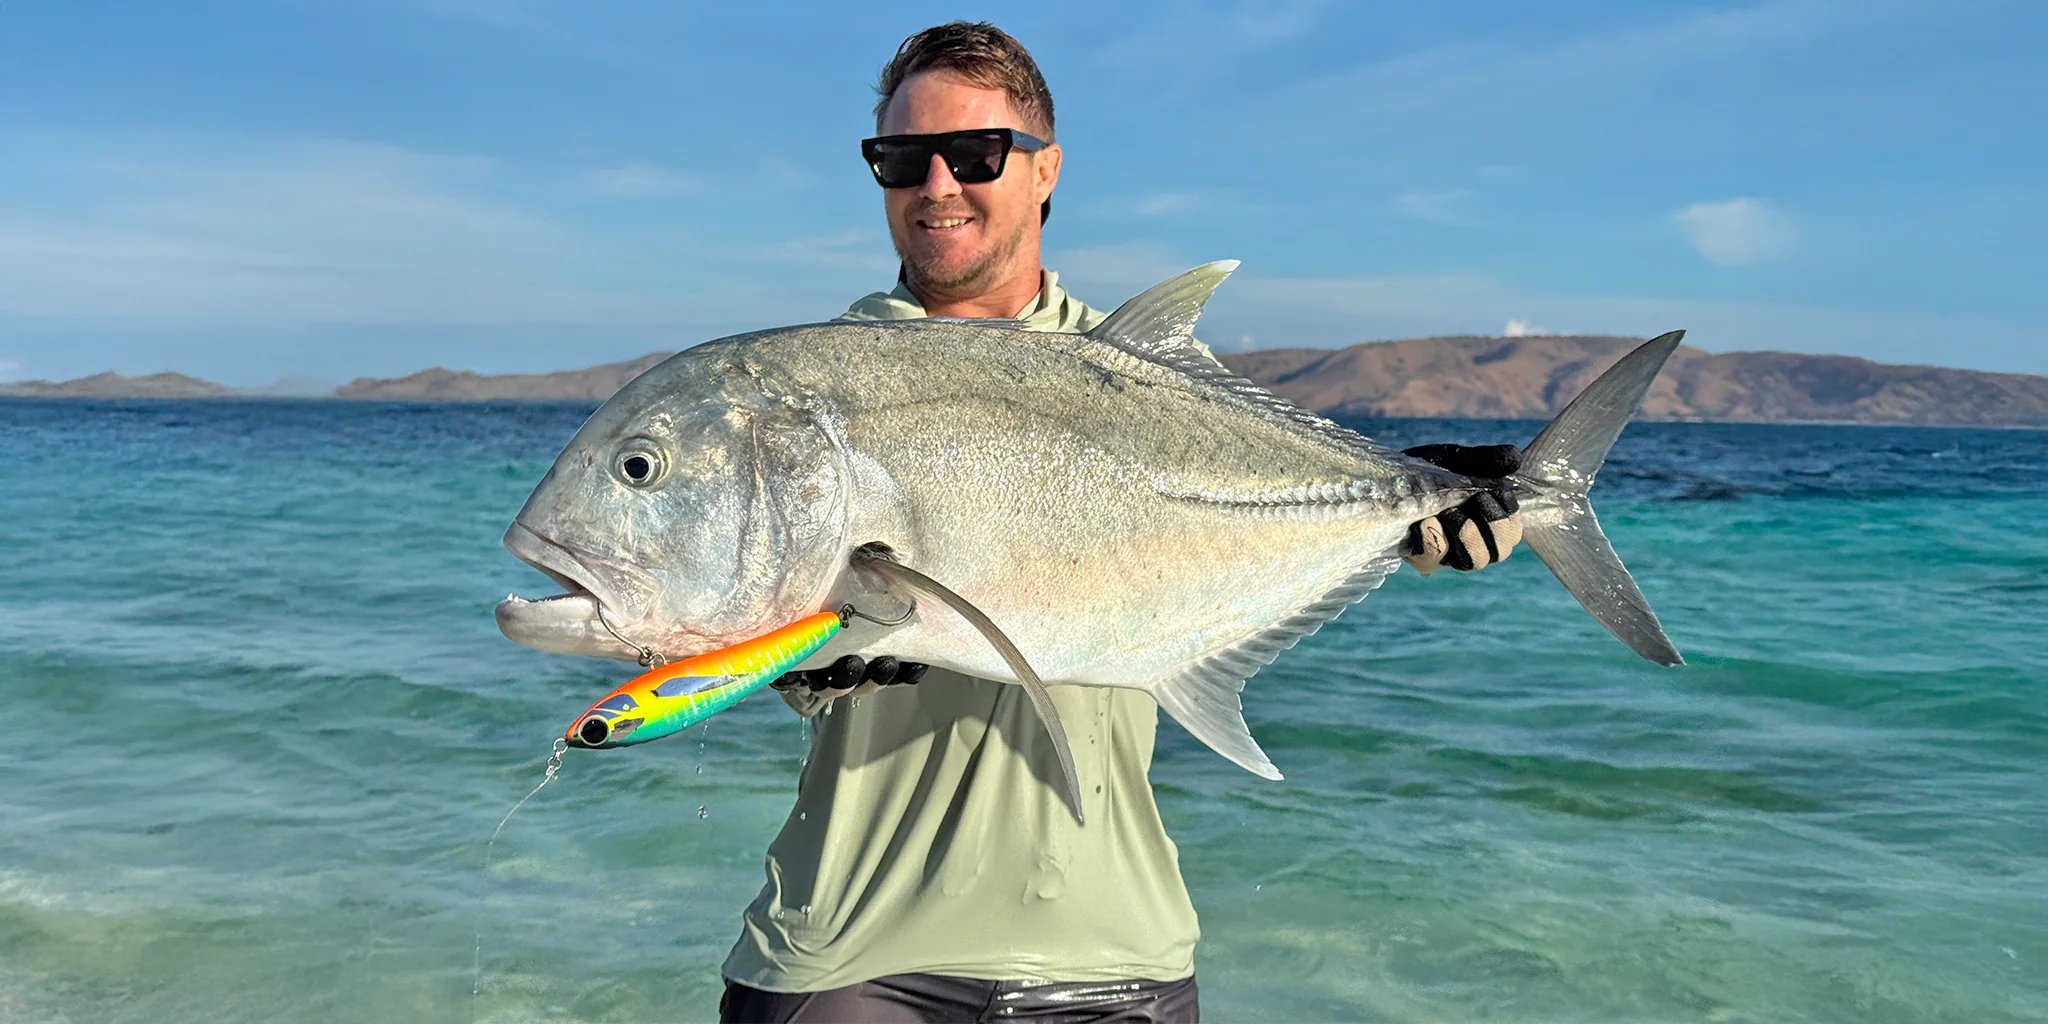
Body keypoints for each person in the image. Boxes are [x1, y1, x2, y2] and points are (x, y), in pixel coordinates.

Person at [717, 22, 1522, 1024]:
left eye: (975, 153)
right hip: (848, 953)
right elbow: (744, 629)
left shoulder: (1155, 375)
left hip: (1113, 952)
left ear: (1045, 169)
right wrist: (791, 662)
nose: (936, 186)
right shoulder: (810, 386)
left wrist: (1418, 505)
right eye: (901, 158)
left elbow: (1273, 513)